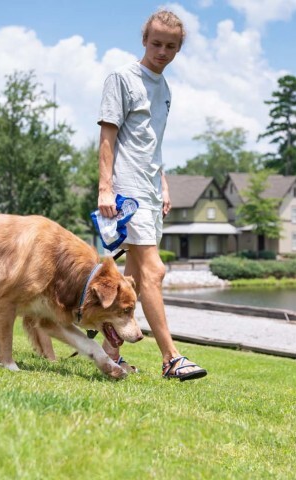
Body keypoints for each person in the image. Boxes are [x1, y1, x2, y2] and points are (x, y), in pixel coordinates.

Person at [96, 10, 207, 381]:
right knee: (154, 272)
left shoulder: (165, 89)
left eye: (170, 46)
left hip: (149, 189)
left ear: (178, 49)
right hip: (126, 192)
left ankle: (110, 352)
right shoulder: (122, 79)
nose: (162, 51)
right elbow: (108, 137)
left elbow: (152, 144)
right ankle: (171, 358)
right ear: (144, 39)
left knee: (130, 280)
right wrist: (105, 188)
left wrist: (163, 183)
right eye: (156, 43)